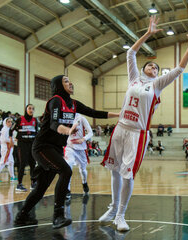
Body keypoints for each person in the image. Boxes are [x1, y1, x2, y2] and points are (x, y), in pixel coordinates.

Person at [99, 16, 188, 231]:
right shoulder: (133, 78)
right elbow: (131, 53)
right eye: (150, 66)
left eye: (156, 68)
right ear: (143, 69)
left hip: (138, 133)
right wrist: (148, 33)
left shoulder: (157, 85)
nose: (153, 69)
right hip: (120, 128)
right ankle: (112, 207)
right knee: (114, 170)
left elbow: (179, 69)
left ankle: (120, 214)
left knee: (128, 173)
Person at [14, 75, 118, 229]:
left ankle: (21, 216)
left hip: (55, 148)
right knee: (66, 171)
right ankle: (58, 216)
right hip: (42, 147)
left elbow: (94, 112)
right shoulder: (55, 100)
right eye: (66, 81)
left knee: (42, 187)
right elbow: (54, 124)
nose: (70, 83)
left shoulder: (74, 104)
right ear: (58, 85)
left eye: (70, 80)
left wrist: (119, 114)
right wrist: (69, 131)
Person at [64, 114, 93, 200]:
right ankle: (67, 190)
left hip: (81, 148)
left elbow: (90, 132)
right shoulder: (65, 117)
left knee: (83, 170)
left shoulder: (81, 118)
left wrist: (82, 139)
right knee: (68, 166)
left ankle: (84, 183)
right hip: (70, 147)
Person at [11, 104, 39, 192]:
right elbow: (10, 130)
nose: (31, 110)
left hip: (32, 145)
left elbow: (37, 133)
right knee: (22, 164)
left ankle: (33, 183)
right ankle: (19, 184)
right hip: (22, 145)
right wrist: (13, 139)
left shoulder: (35, 120)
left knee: (32, 164)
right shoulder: (19, 119)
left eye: (33, 109)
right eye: (29, 108)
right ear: (26, 109)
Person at [0, 117, 17, 182]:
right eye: (8, 122)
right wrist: (13, 140)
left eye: (11, 122)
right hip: (6, 148)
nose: (10, 123)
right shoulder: (5, 129)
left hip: (9, 148)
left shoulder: (8, 129)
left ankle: (12, 177)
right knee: (3, 163)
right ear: (5, 122)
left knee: (11, 162)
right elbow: (5, 139)